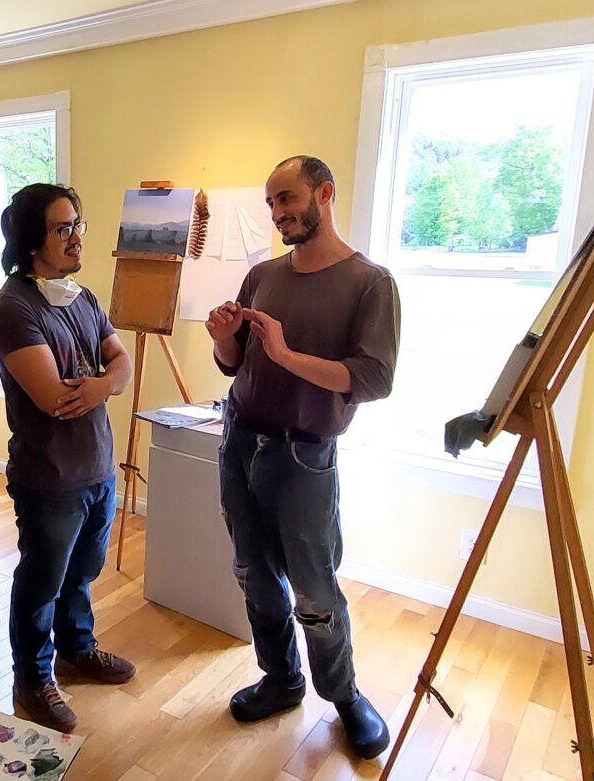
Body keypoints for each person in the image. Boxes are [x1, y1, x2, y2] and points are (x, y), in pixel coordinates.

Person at [206, 156, 401, 759]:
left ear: (325, 193)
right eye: (270, 203)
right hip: (240, 439)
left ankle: (344, 697)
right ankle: (281, 679)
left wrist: (286, 355)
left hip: (305, 455)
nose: (278, 213)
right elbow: (235, 364)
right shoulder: (263, 274)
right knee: (252, 572)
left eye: (286, 198)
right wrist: (223, 340)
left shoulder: (371, 283)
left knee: (315, 592)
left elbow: (373, 379)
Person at [0, 183, 134, 732]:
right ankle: (32, 678)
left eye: (78, 225)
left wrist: (99, 385)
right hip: (49, 478)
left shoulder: (82, 297)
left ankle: (78, 648)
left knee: (82, 573)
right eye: (62, 228)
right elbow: (55, 397)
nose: (76, 237)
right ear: (31, 240)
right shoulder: (13, 307)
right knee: (42, 582)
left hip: (97, 467)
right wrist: (104, 383)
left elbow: (120, 367)